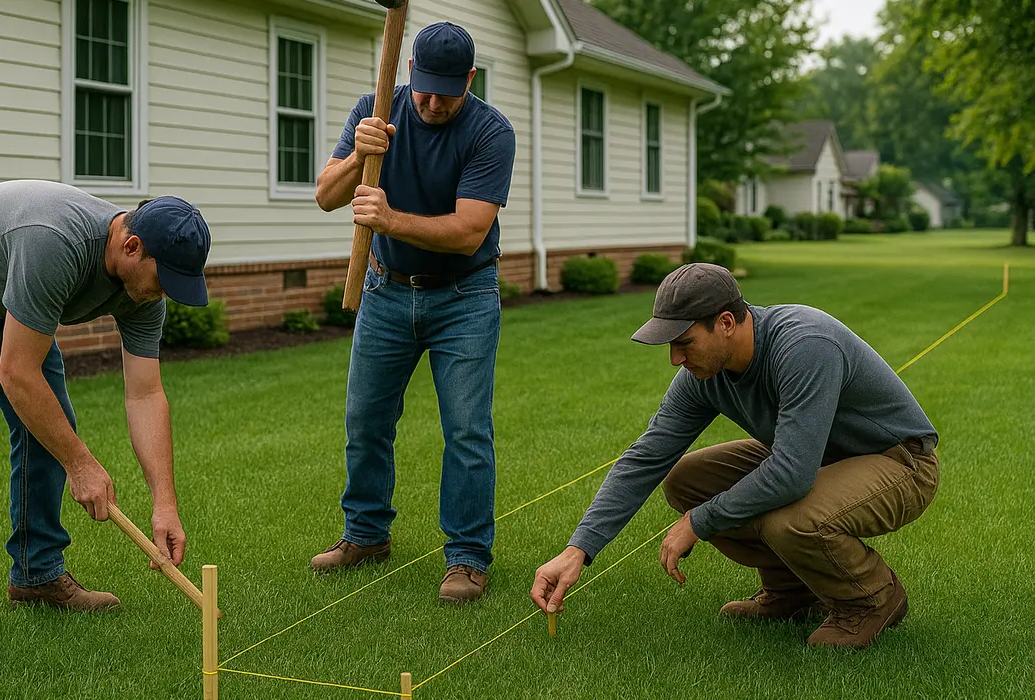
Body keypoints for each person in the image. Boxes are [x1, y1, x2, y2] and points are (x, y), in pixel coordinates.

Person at [531, 263, 940, 648]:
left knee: (791, 519)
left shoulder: (804, 344)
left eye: (684, 342)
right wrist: (577, 551)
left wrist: (700, 520)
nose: (676, 358)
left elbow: (793, 475)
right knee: (687, 480)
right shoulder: (701, 376)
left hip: (899, 462)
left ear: (726, 323)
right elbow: (646, 456)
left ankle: (871, 598)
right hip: (817, 459)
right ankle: (792, 590)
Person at [0, 179, 211, 655]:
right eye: (164, 279)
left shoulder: (144, 292)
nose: (164, 292)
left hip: (5, 297)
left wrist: (164, 503)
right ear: (131, 246)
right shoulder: (56, 242)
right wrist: (81, 464)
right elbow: (17, 374)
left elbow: (145, 394)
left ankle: (35, 574)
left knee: (51, 425)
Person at [310, 21, 517, 603]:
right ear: (409, 73)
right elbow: (327, 195)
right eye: (424, 89)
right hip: (385, 290)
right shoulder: (374, 110)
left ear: (469, 81)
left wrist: (388, 220)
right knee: (366, 420)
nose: (431, 102)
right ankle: (366, 535)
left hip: (464, 297)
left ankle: (468, 557)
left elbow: (469, 231)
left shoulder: (490, 132)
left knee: (467, 430)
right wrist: (360, 155)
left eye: (446, 92)